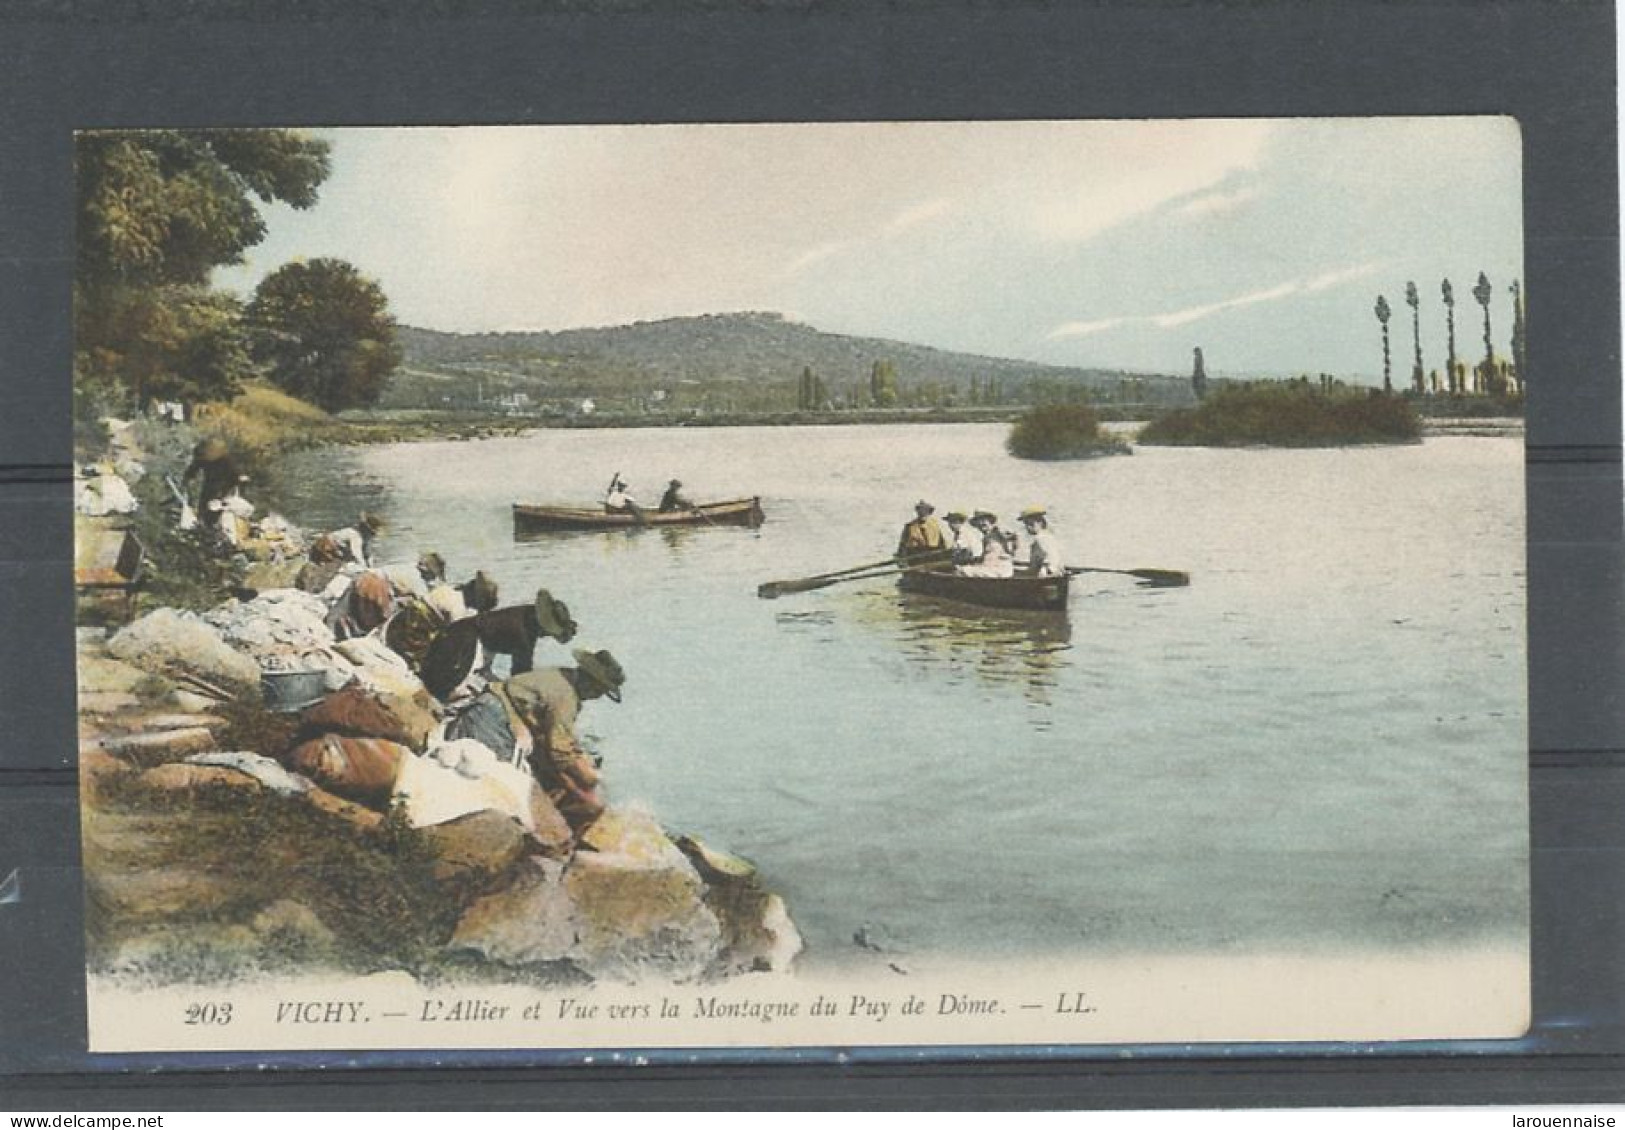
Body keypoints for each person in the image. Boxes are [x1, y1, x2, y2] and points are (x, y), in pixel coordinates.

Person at [450, 649, 626, 835]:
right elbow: (559, 750)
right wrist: (587, 775)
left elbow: (553, 732)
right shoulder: (565, 697)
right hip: (494, 719)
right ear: (591, 684)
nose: (597, 696)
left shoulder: (562, 675)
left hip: (497, 709)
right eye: (600, 690)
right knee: (494, 783)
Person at [958, 510, 1015, 578]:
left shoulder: (998, 533)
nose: (982, 528)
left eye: (984, 524)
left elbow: (1013, 537)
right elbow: (985, 556)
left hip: (1000, 570)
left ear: (990, 522)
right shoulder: (986, 539)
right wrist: (975, 560)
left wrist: (1006, 536)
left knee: (962, 571)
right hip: (989, 568)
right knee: (963, 568)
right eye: (979, 526)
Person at [1019, 505, 1066, 577]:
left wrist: (1048, 571)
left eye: (1031, 524)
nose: (1028, 527)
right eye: (1026, 524)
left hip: (1046, 576)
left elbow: (1054, 558)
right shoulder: (1043, 537)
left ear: (1040, 523)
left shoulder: (1043, 538)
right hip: (1042, 573)